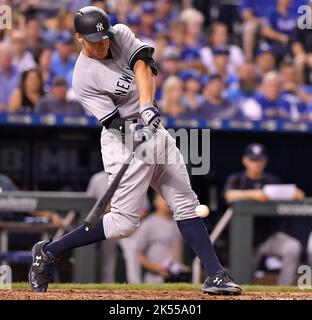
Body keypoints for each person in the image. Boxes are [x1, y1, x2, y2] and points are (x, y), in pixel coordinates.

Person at [28, 6, 241, 295]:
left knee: (186, 203)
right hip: (121, 140)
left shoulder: (120, 34)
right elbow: (113, 122)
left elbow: (143, 63)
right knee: (123, 224)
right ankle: (50, 252)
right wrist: (135, 132)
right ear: (79, 37)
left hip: (151, 126)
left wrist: (146, 106)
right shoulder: (82, 78)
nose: (103, 44)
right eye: (95, 40)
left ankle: (216, 274)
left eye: (104, 38)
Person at [223, 143, 307, 285]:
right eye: (253, 160)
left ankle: (283, 291)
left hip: (268, 236)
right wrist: (254, 195)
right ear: (245, 160)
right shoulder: (237, 179)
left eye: (259, 160)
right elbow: (229, 196)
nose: (256, 164)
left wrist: (295, 193)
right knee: (241, 281)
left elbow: (298, 194)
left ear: (265, 161)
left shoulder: (271, 181)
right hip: (244, 240)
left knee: (293, 246)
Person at [134, 193, 190, 283]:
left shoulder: (180, 223)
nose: (167, 202)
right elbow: (137, 254)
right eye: (163, 199)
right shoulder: (148, 224)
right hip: (155, 279)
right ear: (155, 201)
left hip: (178, 277)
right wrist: (155, 267)